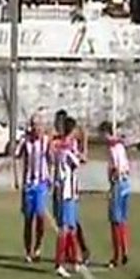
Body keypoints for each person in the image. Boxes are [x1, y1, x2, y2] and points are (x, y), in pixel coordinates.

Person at [51, 109, 91, 263]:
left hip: (69, 188)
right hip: (60, 186)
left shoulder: (68, 144)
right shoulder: (58, 143)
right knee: (63, 221)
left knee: (71, 223)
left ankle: (79, 251)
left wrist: (84, 144)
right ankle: (67, 254)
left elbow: (81, 158)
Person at [13, 113, 51, 262]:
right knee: (28, 219)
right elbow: (16, 157)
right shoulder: (25, 141)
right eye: (35, 125)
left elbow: (50, 158)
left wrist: (52, 177)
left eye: (40, 126)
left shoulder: (46, 142)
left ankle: (38, 247)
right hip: (28, 184)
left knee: (41, 216)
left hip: (41, 183)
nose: (38, 129)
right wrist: (17, 179)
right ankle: (28, 250)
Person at [99, 120, 132, 268]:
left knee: (115, 221)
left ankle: (116, 256)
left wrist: (112, 186)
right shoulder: (120, 146)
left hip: (118, 185)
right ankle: (124, 251)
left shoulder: (113, 148)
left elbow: (117, 168)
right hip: (126, 184)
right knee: (123, 221)